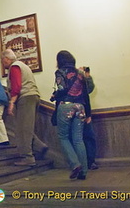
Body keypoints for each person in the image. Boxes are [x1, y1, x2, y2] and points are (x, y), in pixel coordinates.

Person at [1, 49, 48, 166]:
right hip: (33, 96)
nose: (2, 63)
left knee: (23, 129)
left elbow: (16, 86)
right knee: (26, 126)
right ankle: (40, 147)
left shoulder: (15, 67)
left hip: (25, 98)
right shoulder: (23, 65)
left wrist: (11, 102)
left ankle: (27, 157)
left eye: (2, 60)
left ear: (7, 59)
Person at [51, 50, 90, 180]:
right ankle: (84, 171)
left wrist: (54, 95)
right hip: (80, 107)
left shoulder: (60, 72)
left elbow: (62, 89)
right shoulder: (80, 73)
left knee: (63, 137)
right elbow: (86, 93)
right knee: (78, 138)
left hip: (66, 106)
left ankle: (75, 164)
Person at [80, 66, 99, 170]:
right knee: (83, 137)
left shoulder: (83, 81)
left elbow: (89, 89)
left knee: (88, 136)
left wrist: (86, 76)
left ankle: (90, 161)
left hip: (84, 111)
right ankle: (83, 163)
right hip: (78, 111)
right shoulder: (71, 79)